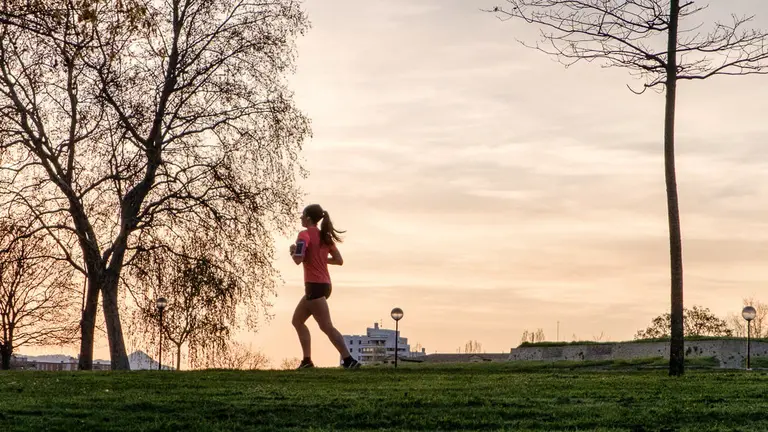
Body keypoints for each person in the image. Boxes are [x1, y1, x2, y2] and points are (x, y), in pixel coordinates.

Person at [289, 204, 360, 369]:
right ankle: (306, 361)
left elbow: (298, 259)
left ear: (307, 217)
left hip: (314, 286)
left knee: (326, 326)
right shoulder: (325, 237)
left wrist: (293, 251)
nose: (300, 218)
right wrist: (319, 259)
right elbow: (339, 260)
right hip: (324, 286)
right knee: (297, 321)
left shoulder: (304, 235)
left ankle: (349, 360)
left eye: (302, 215)